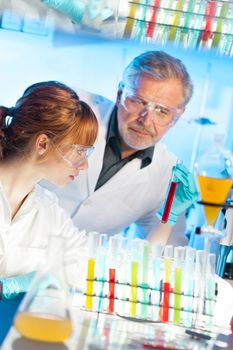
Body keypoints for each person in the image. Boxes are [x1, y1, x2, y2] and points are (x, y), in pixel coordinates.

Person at [43, 51, 198, 245]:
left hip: (74, 268)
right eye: (139, 102)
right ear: (119, 94)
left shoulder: (167, 175)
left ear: (177, 116)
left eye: (162, 111)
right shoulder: (71, 108)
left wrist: (170, 218)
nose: (146, 120)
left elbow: (168, 253)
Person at [0, 80, 98, 299]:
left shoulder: (47, 207)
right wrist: (8, 287)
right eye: (79, 152)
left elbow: (84, 266)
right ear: (42, 144)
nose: (84, 164)